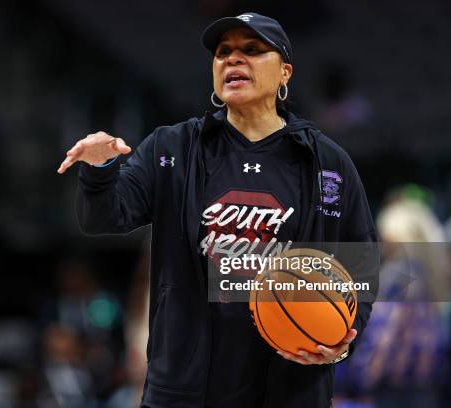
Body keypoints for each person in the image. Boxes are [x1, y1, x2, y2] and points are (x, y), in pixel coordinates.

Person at [58, 12, 378, 408]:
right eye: (223, 52)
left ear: (285, 73)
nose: (232, 59)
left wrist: (340, 342)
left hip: (292, 390)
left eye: (252, 50)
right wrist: (100, 171)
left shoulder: (327, 162)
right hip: (185, 393)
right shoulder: (170, 149)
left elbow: (361, 266)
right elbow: (102, 218)